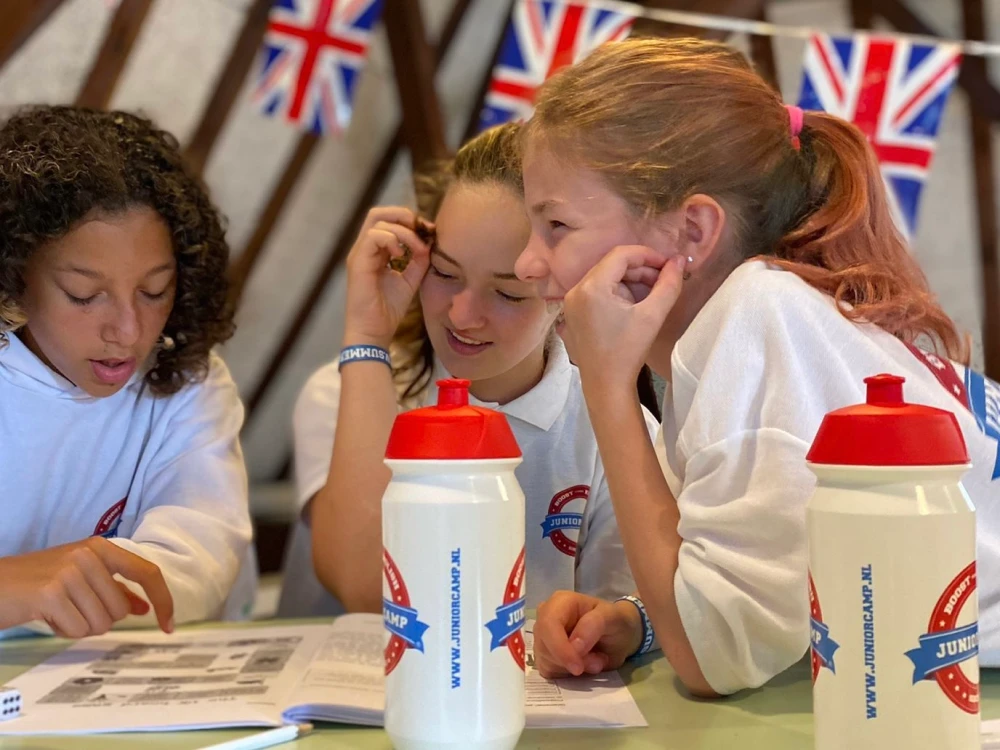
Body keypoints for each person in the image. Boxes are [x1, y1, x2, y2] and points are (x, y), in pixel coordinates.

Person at [514, 37, 1000, 696]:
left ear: (692, 232)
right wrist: (641, 619)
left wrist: (605, 386)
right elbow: (757, 609)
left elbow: (713, 661)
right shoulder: (764, 318)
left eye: (556, 226)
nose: (526, 264)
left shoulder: (755, 325)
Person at [285, 123, 658, 617]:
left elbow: (611, 622)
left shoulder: (611, 428)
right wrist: (366, 338)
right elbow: (364, 585)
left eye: (506, 293)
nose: (463, 315)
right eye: (444, 273)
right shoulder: (347, 388)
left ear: (568, 292)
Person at [0, 106, 254, 638]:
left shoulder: (185, 383)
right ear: (15, 276)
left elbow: (197, 558)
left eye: (154, 291)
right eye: (85, 295)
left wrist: (81, 589)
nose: (128, 330)